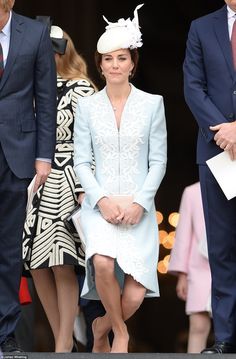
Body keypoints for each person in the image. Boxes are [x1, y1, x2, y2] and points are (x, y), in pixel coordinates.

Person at [74, 4, 167, 353]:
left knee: (136, 291)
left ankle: (101, 327)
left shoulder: (153, 104)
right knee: (101, 261)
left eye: (122, 58)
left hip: (138, 208)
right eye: (108, 59)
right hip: (101, 206)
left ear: (133, 63)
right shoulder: (88, 107)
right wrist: (101, 200)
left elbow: (158, 161)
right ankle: (121, 334)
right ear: (99, 65)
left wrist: (140, 203)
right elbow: (81, 161)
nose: (115, 65)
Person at [23, 25, 95, 353]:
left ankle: (64, 344)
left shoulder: (82, 89)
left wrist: (83, 187)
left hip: (67, 179)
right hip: (34, 183)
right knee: (36, 263)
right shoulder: (30, 90)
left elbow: (90, 143)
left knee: (61, 260)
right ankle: (61, 340)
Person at [0, 0, 56, 353]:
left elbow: (45, 97)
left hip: (17, 155)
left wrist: (43, 156)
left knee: (8, 250)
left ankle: (4, 333)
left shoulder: (34, 34)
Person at [183, 0, 236, 354]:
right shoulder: (201, 27)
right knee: (222, 248)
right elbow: (192, 85)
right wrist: (224, 131)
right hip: (217, 152)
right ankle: (227, 336)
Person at [168, 182, 212, 353]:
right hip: (199, 267)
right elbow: (183, 234)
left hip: (229, 264)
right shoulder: (192, 192)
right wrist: (182, 274)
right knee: (198, 325)